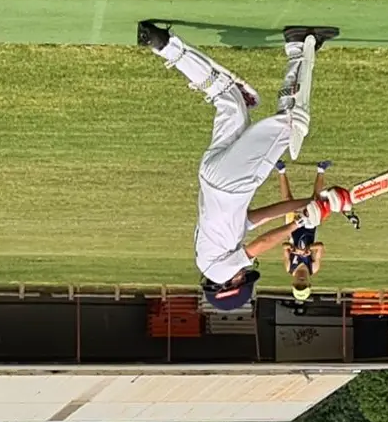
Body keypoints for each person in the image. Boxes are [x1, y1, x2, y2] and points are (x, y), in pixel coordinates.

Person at [136, 20, 348, 310]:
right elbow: (259, 216)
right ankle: (164, 45)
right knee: (230, 100)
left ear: (227, 286)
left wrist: (301, 222)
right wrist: (310, 202)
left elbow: (260, 244)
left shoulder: (219, 270)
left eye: (243, 278)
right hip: (211, 174)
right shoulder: (211, 252)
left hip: (233, 184)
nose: (244, 273)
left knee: (292, 123)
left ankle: (298, 46)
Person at [276, 159, 331, 302]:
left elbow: (284, 246)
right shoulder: (313, 267)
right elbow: (320, 247)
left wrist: (294, 249)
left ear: (293, 283)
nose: (301, 281)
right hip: (309, 227)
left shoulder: (290, 267)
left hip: (293, 227)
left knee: (287, 202)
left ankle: (281, 170)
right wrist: (308, 248)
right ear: (308, 283)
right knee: (315, 201)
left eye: (298, 284)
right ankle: (321, 169)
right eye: (304, 284)